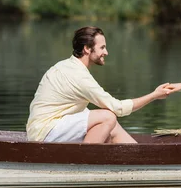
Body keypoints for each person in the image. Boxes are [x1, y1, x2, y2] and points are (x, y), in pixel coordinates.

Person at [26, 26, 173, 143]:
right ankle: (85, 164)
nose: (106, 52)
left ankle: (141, 158)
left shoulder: (66, 65)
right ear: (87, 49)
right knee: (108, 116)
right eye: (102, 47)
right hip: (44, 133)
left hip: (42, 129)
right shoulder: (79, 77)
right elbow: (118, 108)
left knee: (110, 126)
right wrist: (154, 95)